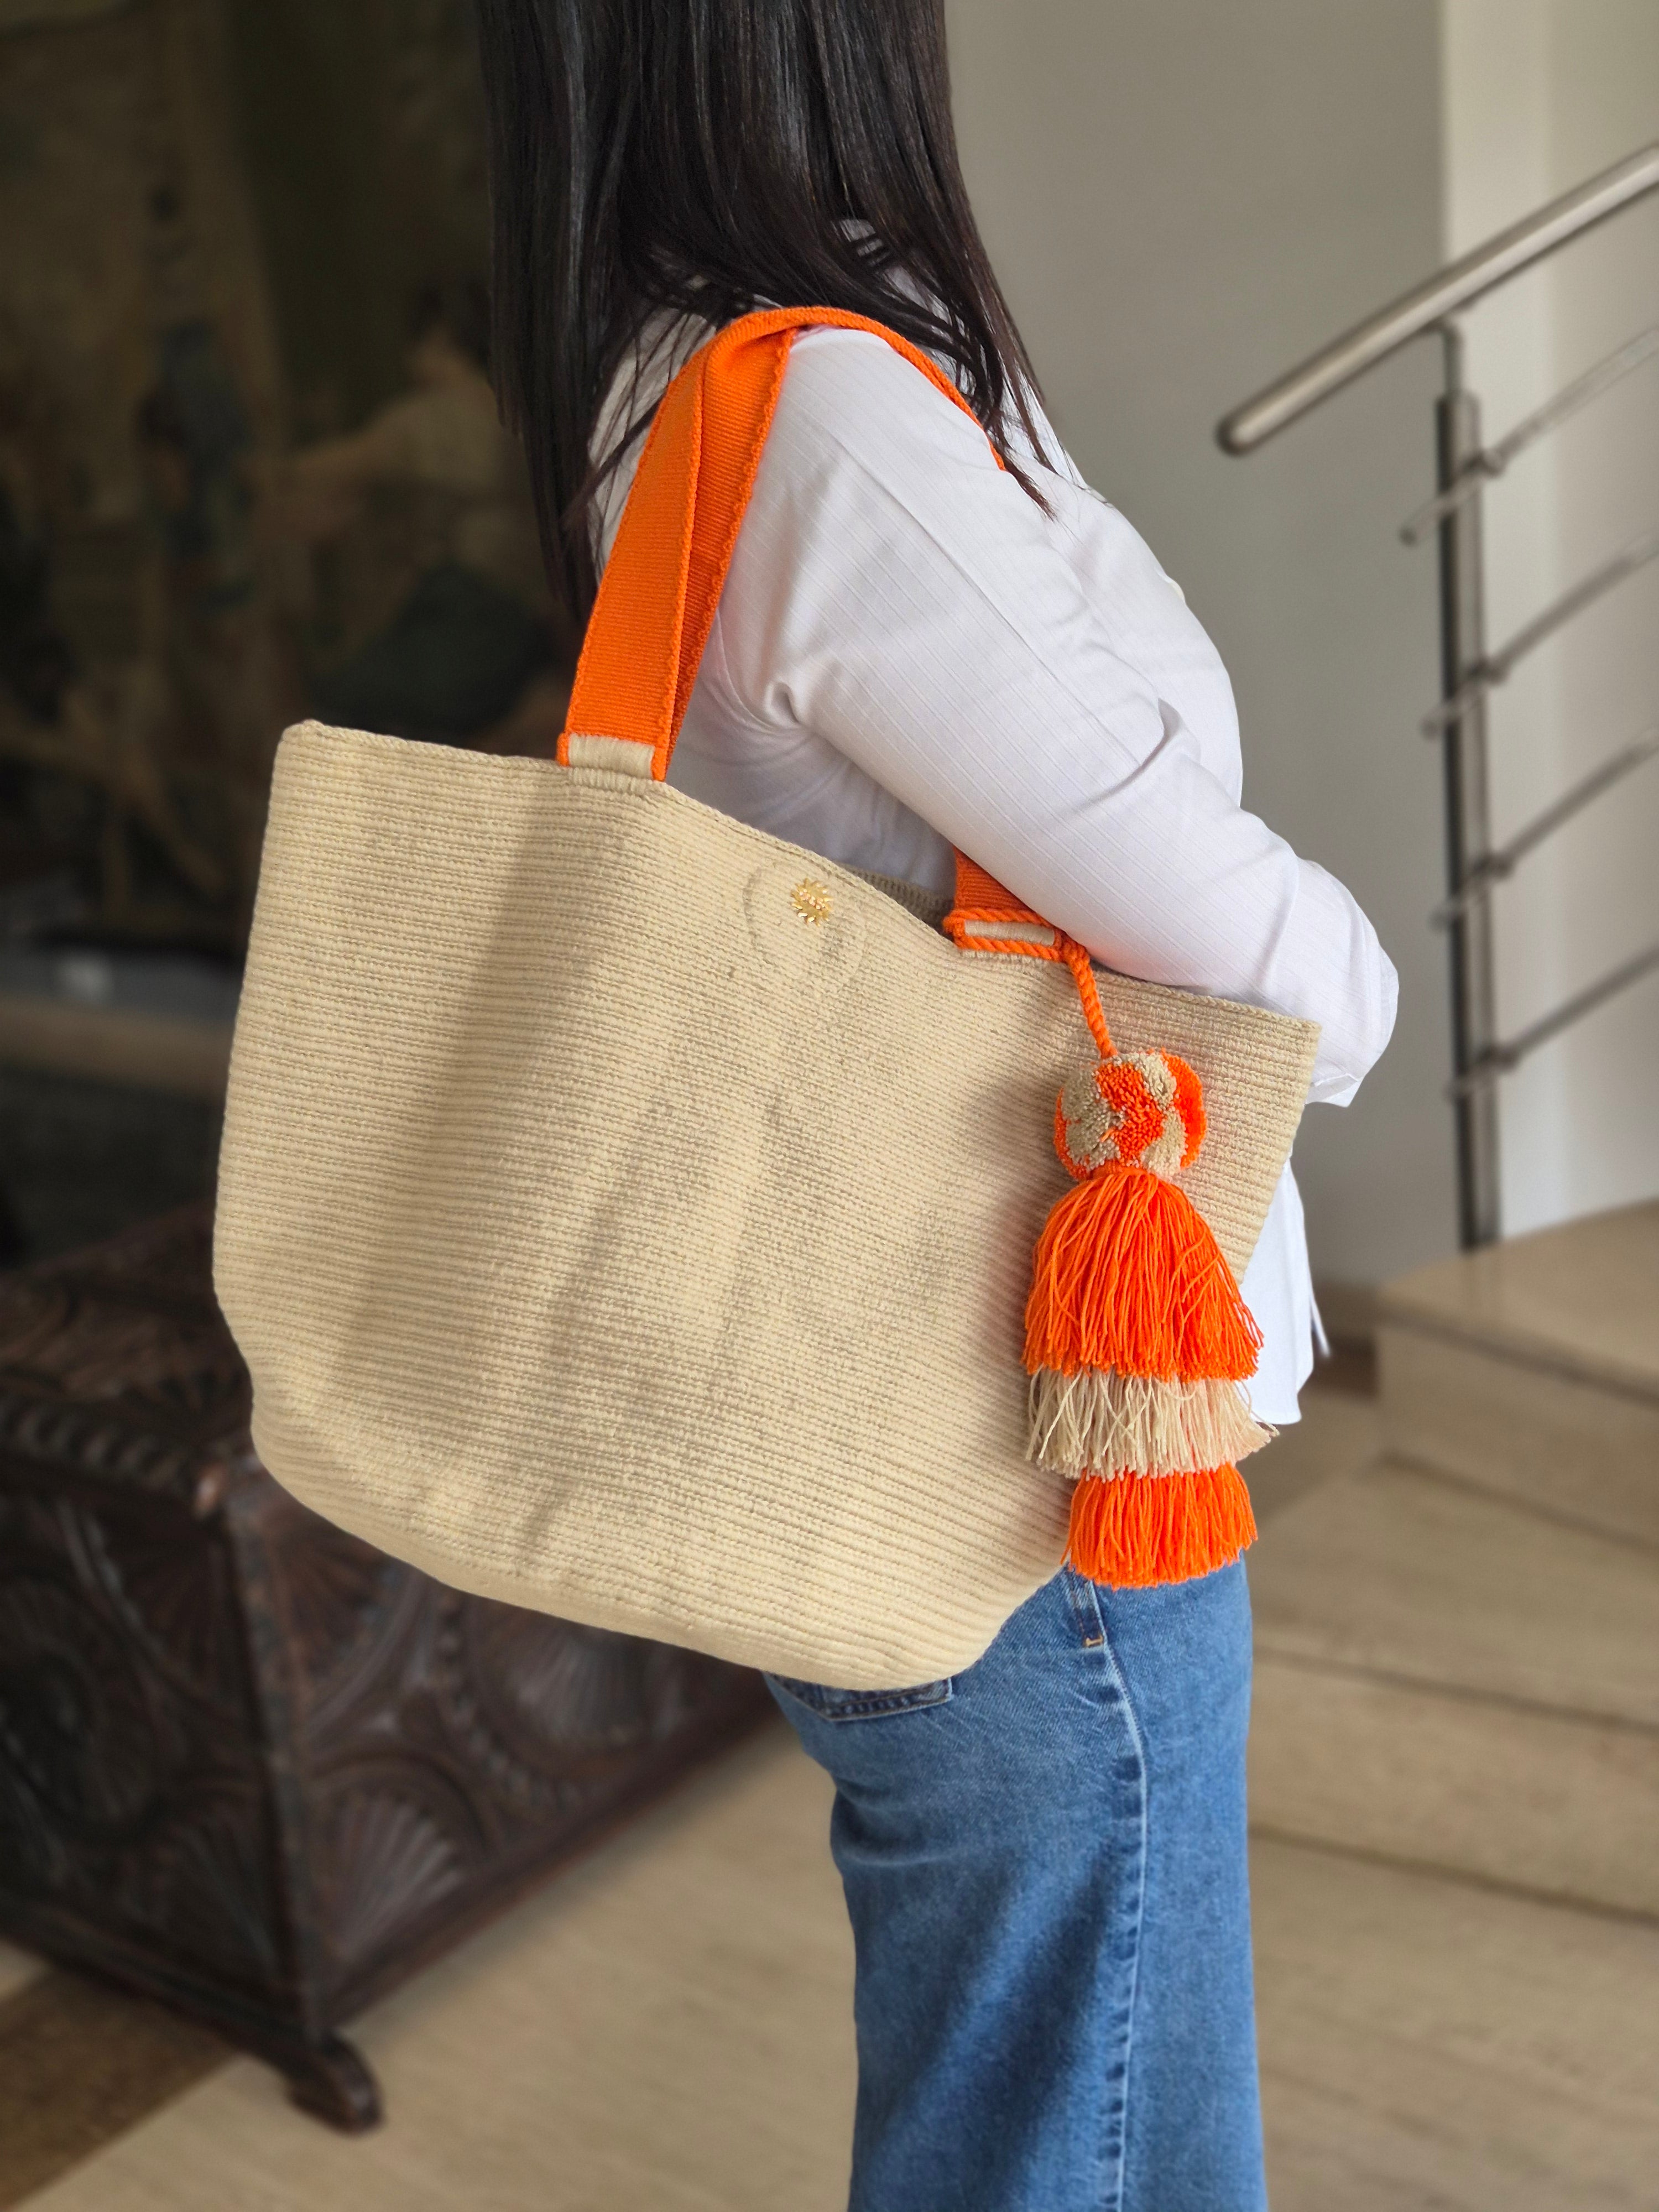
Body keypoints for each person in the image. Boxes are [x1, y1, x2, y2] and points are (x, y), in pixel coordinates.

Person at [474, 5, 1396, 2208]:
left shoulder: (659, 374)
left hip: (875, 1391)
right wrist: (1367, 986)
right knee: (1086, 2126)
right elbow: (1214, 923)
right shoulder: (820, 413)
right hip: (1024, 1439)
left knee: (1061, 2100)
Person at [268, 283, 567, 752]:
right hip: (524, 629)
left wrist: (271, 471)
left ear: (440, 340)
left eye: (418, 344)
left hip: (475, 626)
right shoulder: (511, 410)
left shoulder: (440, 416)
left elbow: (343, 463)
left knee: (338, 705)